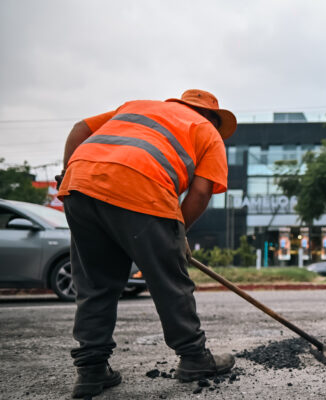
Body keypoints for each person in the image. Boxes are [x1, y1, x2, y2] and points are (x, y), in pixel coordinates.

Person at [56, 89, 237, 398]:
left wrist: (69, 175)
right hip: (142, 188)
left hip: (80, 185)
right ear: (212, 117)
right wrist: (178, 233)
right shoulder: (208, 133)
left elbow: (79, 130)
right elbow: (202, 191)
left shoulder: (138, 107)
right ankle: (194, 358)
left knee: (95, 284)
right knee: (169, 281)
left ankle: (91, 371)